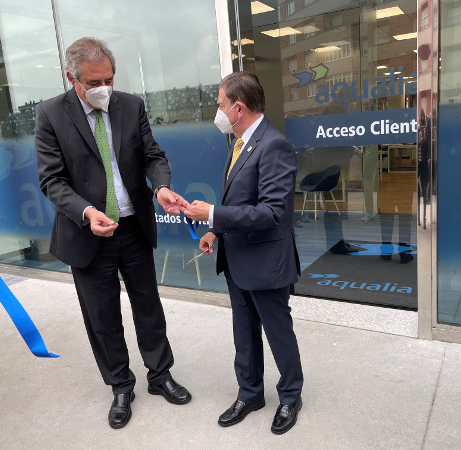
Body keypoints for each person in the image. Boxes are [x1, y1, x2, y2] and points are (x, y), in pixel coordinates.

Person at [35, 37, 191, 429]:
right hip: (88, 233)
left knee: (148, 306)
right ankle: (121, 385)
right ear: (71, 78)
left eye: (109, 78)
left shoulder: (130, 105)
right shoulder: (50, 114)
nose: (104, 88)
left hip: (133, 227)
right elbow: (52, 180)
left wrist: (161, 186)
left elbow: (152, 156)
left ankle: (160, 374)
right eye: (94, 82)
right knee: (102, 316)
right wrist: (87, 212)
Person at [184, 72, 304, 435]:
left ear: (239, 108)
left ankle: (290, 396)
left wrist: (212, 213)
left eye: (221, 105)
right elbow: (240, 202)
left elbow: (271, 213)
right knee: (244, 334)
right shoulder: (238, 143)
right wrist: (215, 231)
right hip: (236, 260)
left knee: (278, 333)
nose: (218, 111)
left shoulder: (274, 145)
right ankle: (250, 394)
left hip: (266, 263)